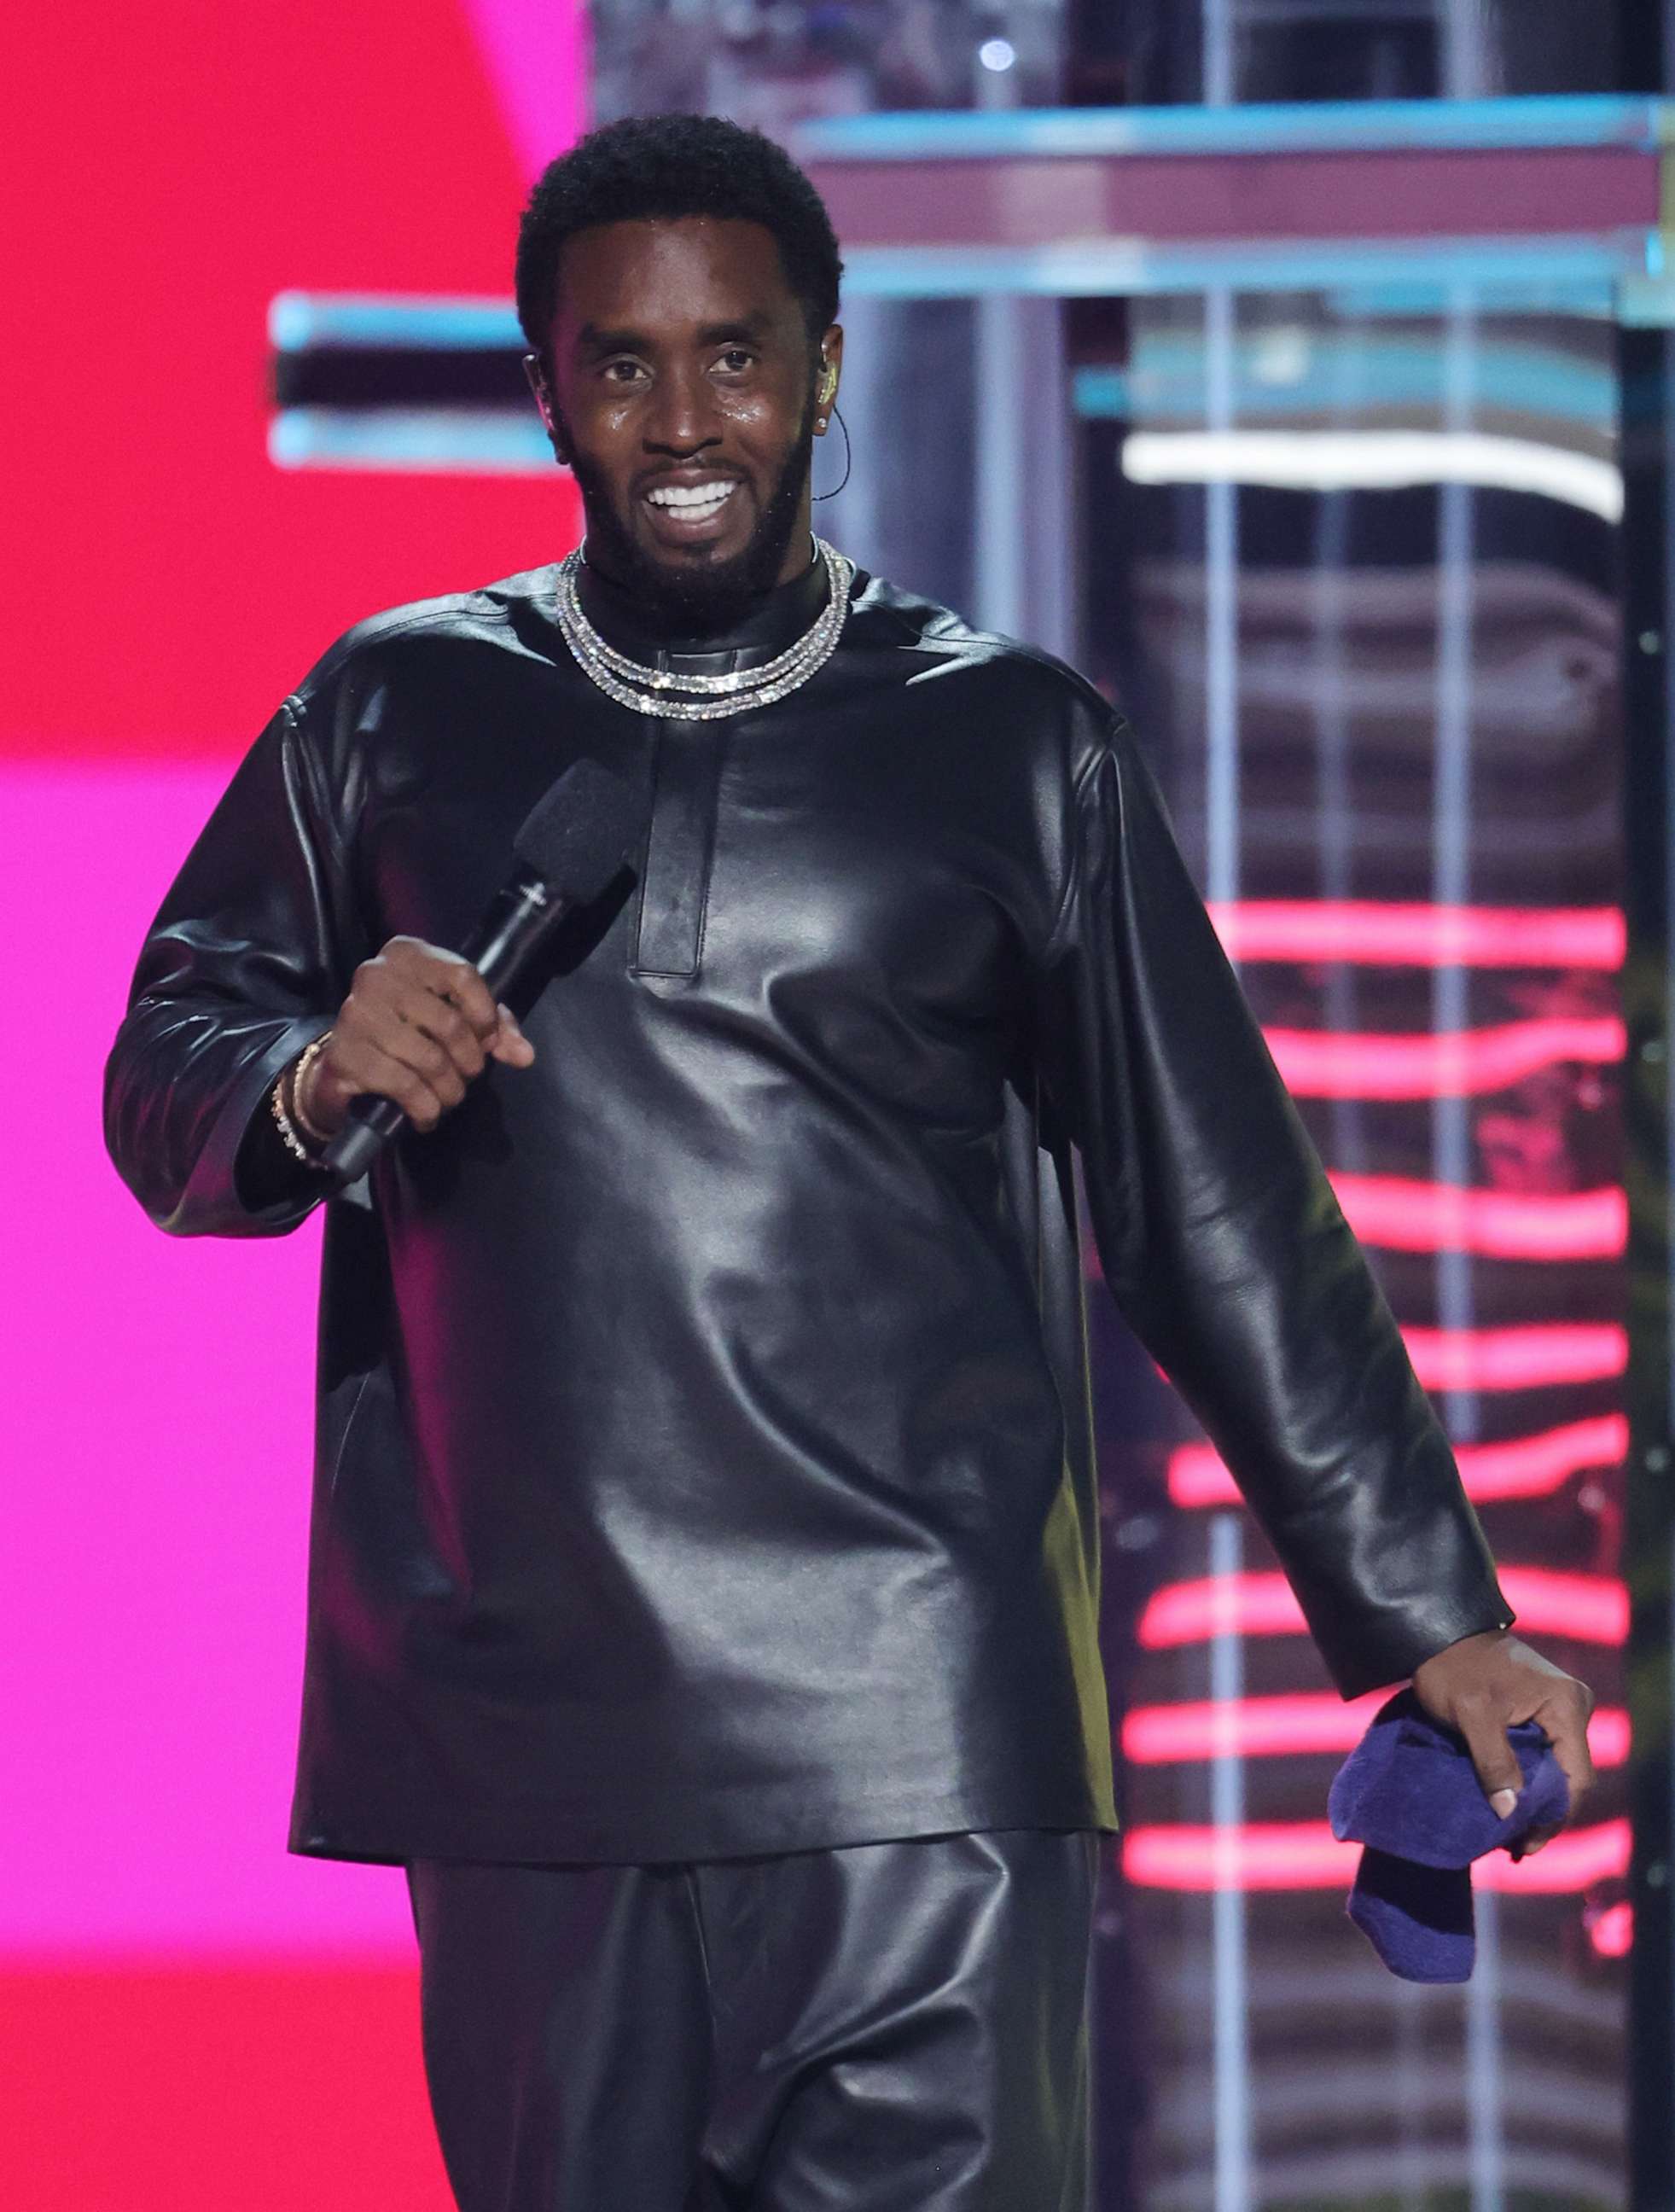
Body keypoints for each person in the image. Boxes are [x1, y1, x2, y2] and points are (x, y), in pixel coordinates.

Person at [104, 112, 1596, 2212]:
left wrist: (1423, 1609)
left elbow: (1220, 1216)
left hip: (921, 1742)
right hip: (533, 1743)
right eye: (621, 364)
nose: (685, 414)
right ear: (546, 390)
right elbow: (165, 1070)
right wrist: (306, 1079)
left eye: (735, 352)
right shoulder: (394, 708)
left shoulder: (1008, 742)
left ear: (821, 365)